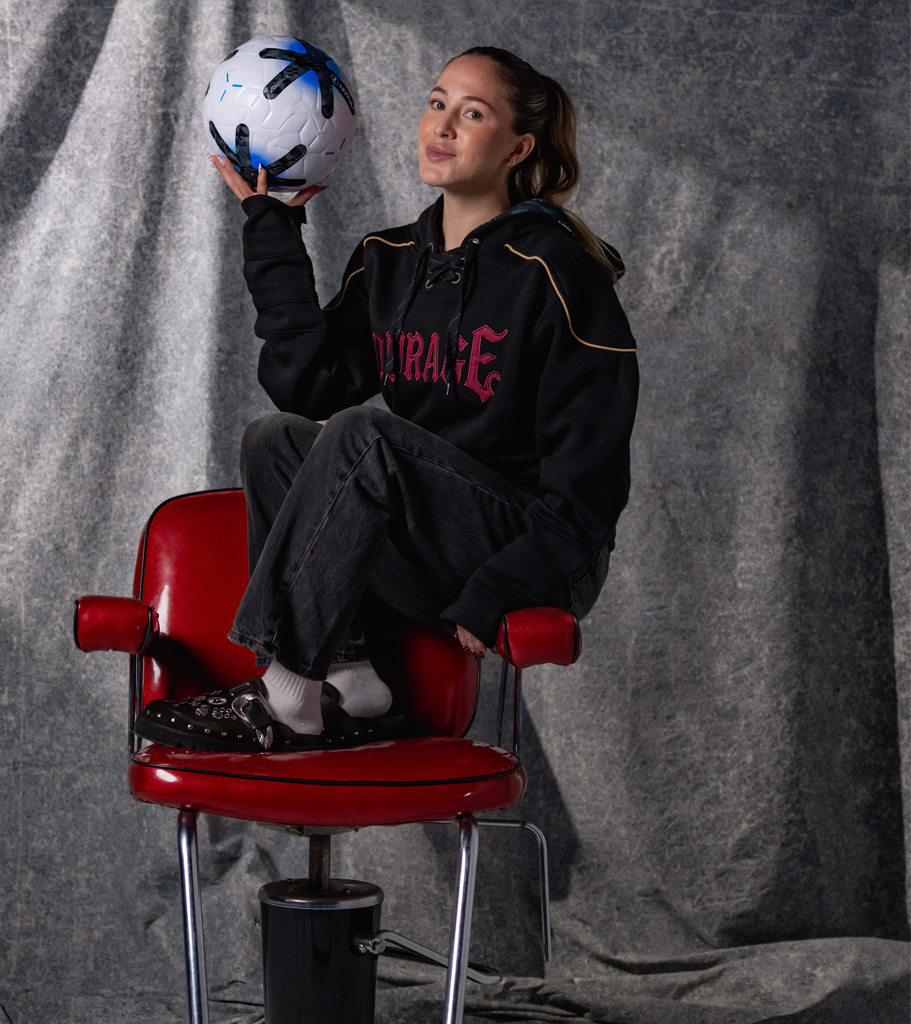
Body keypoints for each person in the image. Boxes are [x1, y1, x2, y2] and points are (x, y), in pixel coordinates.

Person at [134, 46, 638, 753]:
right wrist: (270, 225)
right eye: (437, 104)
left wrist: (498, 589)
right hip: (433, 542)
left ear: (518, 148)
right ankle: (349, 679)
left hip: (538, 552)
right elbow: (306, 385)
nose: (444, 125)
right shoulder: (390, 259)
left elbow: (590, 492)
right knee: (274, 440)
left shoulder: (558, 272)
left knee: (363, 436)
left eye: (473, 113)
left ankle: (286, 695)